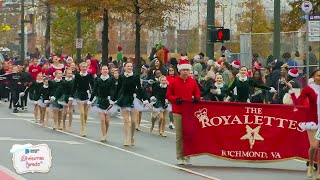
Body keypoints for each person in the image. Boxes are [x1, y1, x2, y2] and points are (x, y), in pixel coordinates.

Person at [286, 69, 320, 179]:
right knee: (314, 146)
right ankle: (310, 163)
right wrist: (291, 91)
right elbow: (298, 103)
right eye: (318, 75)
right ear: (313, 77)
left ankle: (319, 172)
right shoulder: (309, 89)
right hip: (313, 121)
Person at [166, 59, 201, 165]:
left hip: (189, 112)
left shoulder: (192, 81)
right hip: (178, 111)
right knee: (179, 135)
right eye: (183, 70)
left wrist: (196, 98)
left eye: (187, 70)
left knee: (189, 134)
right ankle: (180, 156)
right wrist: (175, 99)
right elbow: (168, 95)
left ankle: (188, 155)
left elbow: (198, 94)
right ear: (180, 71)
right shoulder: (174, 81)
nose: (185, 72)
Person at [116, 62, 149, 146]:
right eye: (128, 66)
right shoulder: (121, 77)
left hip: (133, 99)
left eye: (131, 66)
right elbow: (118, 88)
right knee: (126, 120)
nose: (130, 67)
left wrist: (145, 99)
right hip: (124, 99)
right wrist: (113, 99)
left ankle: (133, 136)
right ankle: (126, 138)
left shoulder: (135, 77)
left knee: (134, 121)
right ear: (124, 68)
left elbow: (140, 88)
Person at [89, 65, 116, 142]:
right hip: (99, 100)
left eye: (106, 69)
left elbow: (113, 90)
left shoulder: (111, 79)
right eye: (103, 69)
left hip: (108, 101)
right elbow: (94, 90)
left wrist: (112, 99)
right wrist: (90, 100)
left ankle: (106, 133)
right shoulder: (97, 79)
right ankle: (103, 135)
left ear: (108, 70)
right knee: (102, 119)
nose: (105, 70)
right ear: (101, 71)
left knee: (107, 120)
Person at [71, 62, 95, 137]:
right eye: (83, 67)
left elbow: (93, 85)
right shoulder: (77, 75)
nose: (84, 68)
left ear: (87, 67)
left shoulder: (90, 75)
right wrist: (71, 96)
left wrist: (92, 96)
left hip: (87, 94)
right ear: (80, 67)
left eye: (85, 67)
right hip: (79, 94)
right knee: (81, 113)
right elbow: (74, 85)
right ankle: (83, 128)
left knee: (85, 113)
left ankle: (84, 124)